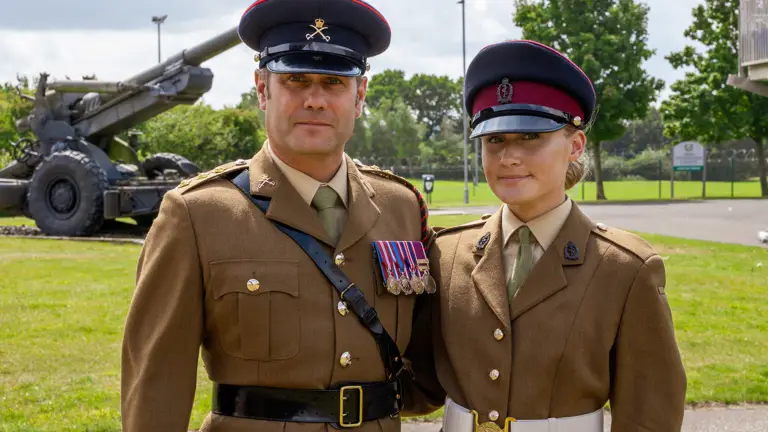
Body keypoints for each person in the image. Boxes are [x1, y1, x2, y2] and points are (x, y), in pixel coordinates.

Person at [120, 1, 437, 431]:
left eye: (333, 82)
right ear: (262, 88)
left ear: (359, 96)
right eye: (295, 80)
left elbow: (429, 368)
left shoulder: (400, 205)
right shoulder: (198, 214)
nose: (315, 100)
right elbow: (156, 382)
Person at [401, 40, 687, 432]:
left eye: (530, 137)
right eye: (494, 140)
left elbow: (649, 415)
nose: (508, 157)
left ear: (575, 145)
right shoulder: (447, 254)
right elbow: (418, 384)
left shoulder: (625, 269)